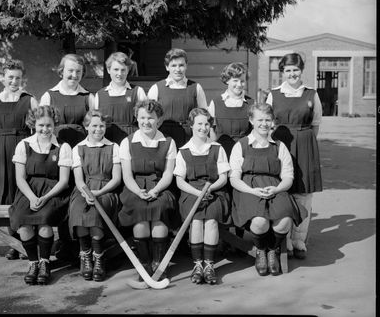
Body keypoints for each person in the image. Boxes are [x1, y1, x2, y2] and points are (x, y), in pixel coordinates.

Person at [229, 103, 307, 276]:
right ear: (251, 121)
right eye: (260, 120)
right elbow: (234, 178)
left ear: (272, 121)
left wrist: (278, 188)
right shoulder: (241, 146)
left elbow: (288, 176)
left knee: (285, 220)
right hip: (248, 189)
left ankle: (273, 249)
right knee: (260, 222)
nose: (264, 124)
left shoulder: (279, 146)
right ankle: (260, 250)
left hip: (275, 188)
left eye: (267, 120)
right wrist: (251, 191)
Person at [266, 52, 323, 259]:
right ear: (282, 72)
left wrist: (304, 140)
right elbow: (267, 122)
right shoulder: (274, 94)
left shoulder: (311, 94)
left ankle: (299, 239)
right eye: (288, 70)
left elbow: (316, 124)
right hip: (282, 144)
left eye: (295, 70)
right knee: (284, 191)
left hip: (305, 144)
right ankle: (286, 240)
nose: (292, 74)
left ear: (301, 71)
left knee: (304, 193)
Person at [9, 105, 73, 285]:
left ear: (55, 125)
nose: (45, 129)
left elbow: (63, 181)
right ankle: (33, 263)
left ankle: (45, 262)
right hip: (28, 191)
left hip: (53, 192)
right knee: (22, 220)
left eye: (49, 125)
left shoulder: (63, 147)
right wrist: (31, 197)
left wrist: (44, 198)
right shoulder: (24, 145)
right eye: (41, 125)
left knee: (45, 219)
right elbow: (20, 178)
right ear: (33, 124)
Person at [40, 53, 94, 262]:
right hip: (58, 151)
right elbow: (42, 128)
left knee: (78, 194)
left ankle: (80, 245)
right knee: (61, 194)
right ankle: (62, 242)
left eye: (78, 71)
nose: (74, 75)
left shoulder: (88, 97)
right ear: (61, 71)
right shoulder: (49, 95)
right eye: (70, 70)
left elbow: (94, 125)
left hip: (80, 151)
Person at [118, 99, 178, 280]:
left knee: (159, 209)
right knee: (139, 210)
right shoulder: (127, 142)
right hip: (135, 187)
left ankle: (159, 263)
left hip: (160, 186)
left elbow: (168, 174)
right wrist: (138, 191)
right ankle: (144, 263)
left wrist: (156, 190)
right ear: (137, 118)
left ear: (158, 120)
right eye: (142, 117)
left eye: (151, 118)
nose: (146, 122)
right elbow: (127, 176)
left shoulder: (168, 142)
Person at [0, 59, 38, 260]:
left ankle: (27, 242)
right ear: (3, 77)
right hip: (1, 152)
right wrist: (1, 150)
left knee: (23, 195)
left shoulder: (29, 100)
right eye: (10, 77)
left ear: (22, 78)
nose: (14, 81)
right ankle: (13, 243)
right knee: (7, 197)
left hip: (24, 149)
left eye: (17, 77)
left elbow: (37, 129)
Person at [174, 108, 231, 285]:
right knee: (197, 221)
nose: (203, 127)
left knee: (211, 220)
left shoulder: (217, 148)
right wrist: (198, 193)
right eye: (199, 123)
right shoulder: (183, 150)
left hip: (214, 192)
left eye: (207, 124)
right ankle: (197, 265)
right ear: (191, 125)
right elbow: (180, 181)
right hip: (192, 193)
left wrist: (210, 189)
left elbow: (223, 177)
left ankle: (209, 265)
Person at [69, 110, 122, 282]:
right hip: (84, 190)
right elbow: (78, 179)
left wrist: (99, 192)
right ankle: (85, 256)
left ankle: (99, 257)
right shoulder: (78, 148)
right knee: (79, 211)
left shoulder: (114, 147)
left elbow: (116, 178)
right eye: (94, 126)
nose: (98, 129)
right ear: (86, 127)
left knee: (95, 214)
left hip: (106, 190)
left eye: (101, 126)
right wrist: (86, 193)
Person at [147, 48, 208, 149]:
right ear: (167, 67)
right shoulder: (157, 88)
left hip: (189, 136)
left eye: (181, 65)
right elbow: (148, 114)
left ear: (186, 66)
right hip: (163, 135)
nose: (178, 69)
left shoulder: (196, 87)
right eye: (173, 65)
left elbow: (204, 115)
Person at [93, 52, 147, 144]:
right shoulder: (99, 95)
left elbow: (145, 118)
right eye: (116, 69)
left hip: (131, 139)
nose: (119, 73)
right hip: (107, 141)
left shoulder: (137, 91)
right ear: (109, 70)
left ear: (128, 70)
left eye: (123, 70)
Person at [208, 62, 254, 159]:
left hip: (245, 152)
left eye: (242, 81)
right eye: (235, 80)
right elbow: (211, 130)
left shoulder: (251, 103)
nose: (239, 84)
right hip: (222, 153)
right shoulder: (216, 103)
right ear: (227, 80)